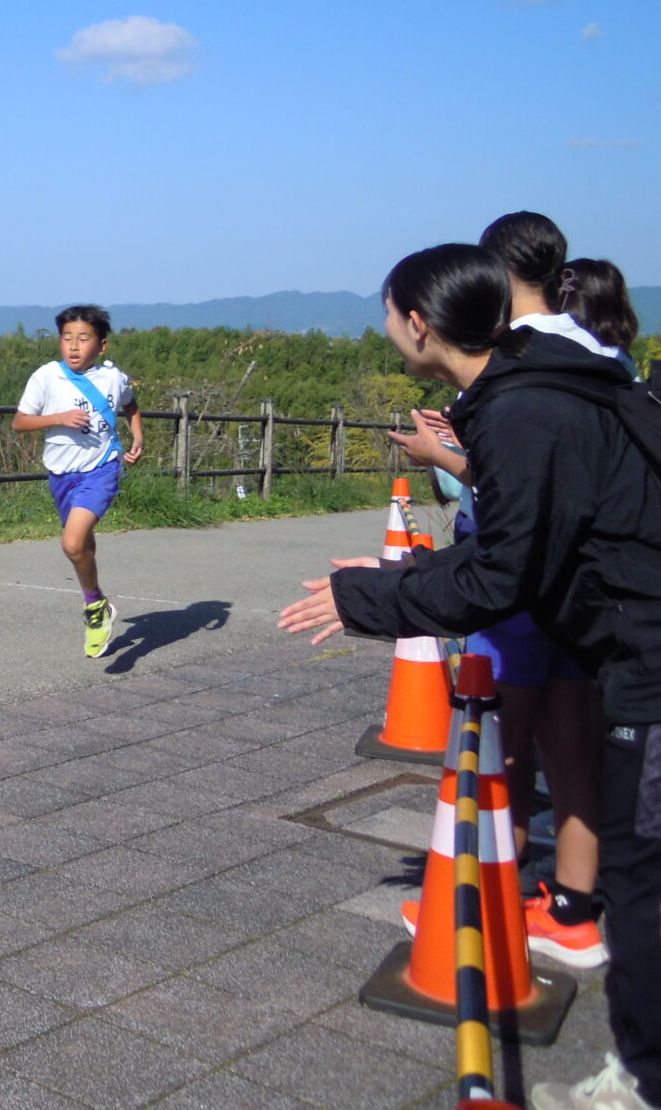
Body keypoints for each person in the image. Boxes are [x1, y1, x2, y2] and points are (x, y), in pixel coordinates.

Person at [280, 243, 659, 1110]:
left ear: (419, 324)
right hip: (628, 643)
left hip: (647, 657)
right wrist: (393, 580)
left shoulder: (523, 409)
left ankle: (643, 1082)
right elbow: (522, 536)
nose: (384, 328)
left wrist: (367, 600)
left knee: (643, 886)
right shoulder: (543, 378)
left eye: (386, 313)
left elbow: (502, 577)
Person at [389, 215, 615, 970]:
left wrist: (446, 458)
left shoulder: (515, 366)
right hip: (583, 589)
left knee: (497, 748)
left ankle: (491, 905)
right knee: (572, 745)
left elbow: (522, 494)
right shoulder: (588, 349)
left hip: (517, 584)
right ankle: (575, 912)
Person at [12, 305, 144, 657]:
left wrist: (138, 437)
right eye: (67, 338)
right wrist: (59, 418)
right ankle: (100, 602)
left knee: (72, 544)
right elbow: (20, 422)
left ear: (101, 346)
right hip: (61, 475)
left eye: (83, 339)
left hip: (101, 470)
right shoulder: (46, 377)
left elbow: (131, 406)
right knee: (82, 543)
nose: (73, 346)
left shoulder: (113, 379)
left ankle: (92, 606)